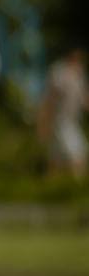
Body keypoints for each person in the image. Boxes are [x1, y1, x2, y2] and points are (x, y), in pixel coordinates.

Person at [38, 47, 87, 179]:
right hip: (61, 121)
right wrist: (44, 121)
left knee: (56, 158)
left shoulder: (78, 73)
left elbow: (83, 98)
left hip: (73, 121)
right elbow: (49, 98)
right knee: (79, 153)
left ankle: (51, 187)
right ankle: (78, 186)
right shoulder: (59, 73)